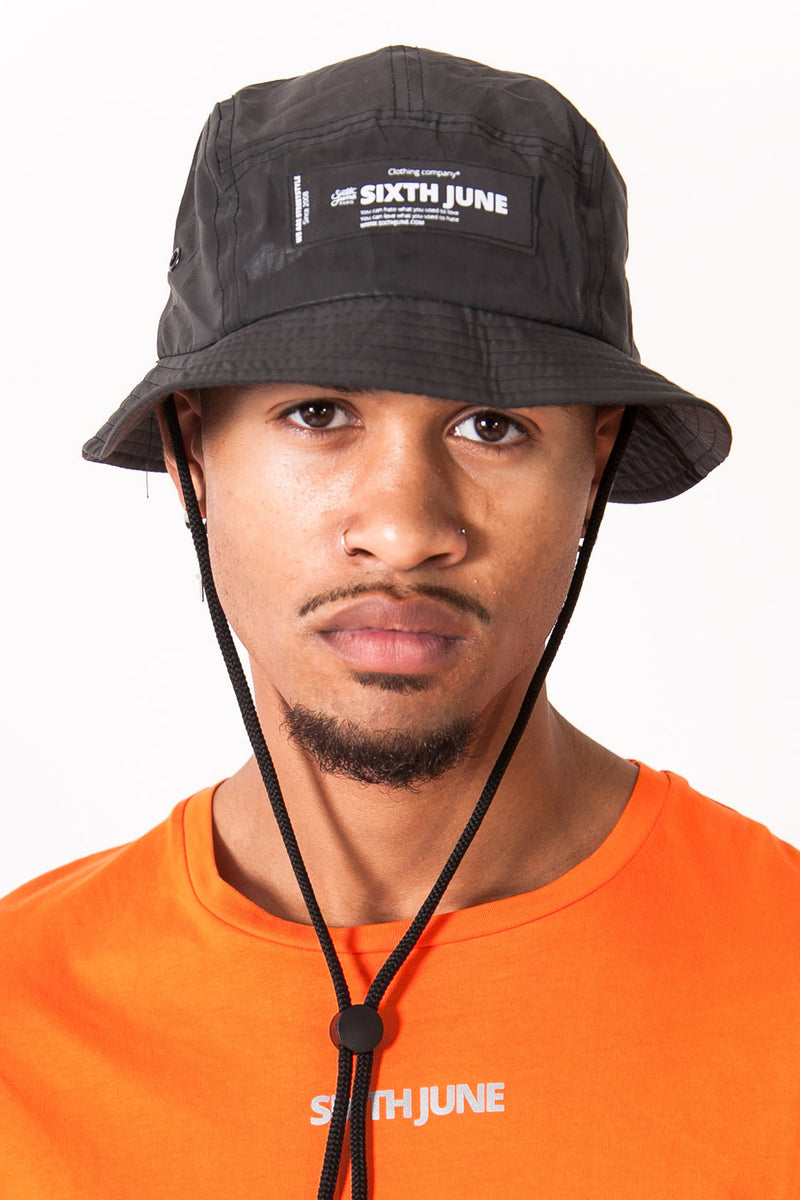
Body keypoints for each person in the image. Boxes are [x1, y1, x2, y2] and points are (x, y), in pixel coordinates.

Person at [2, 45, 798, 1200]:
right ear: (190, 451)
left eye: (490, 426)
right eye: (318, 413)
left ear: (594, 462)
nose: (403, 527)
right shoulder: (21, 1021)